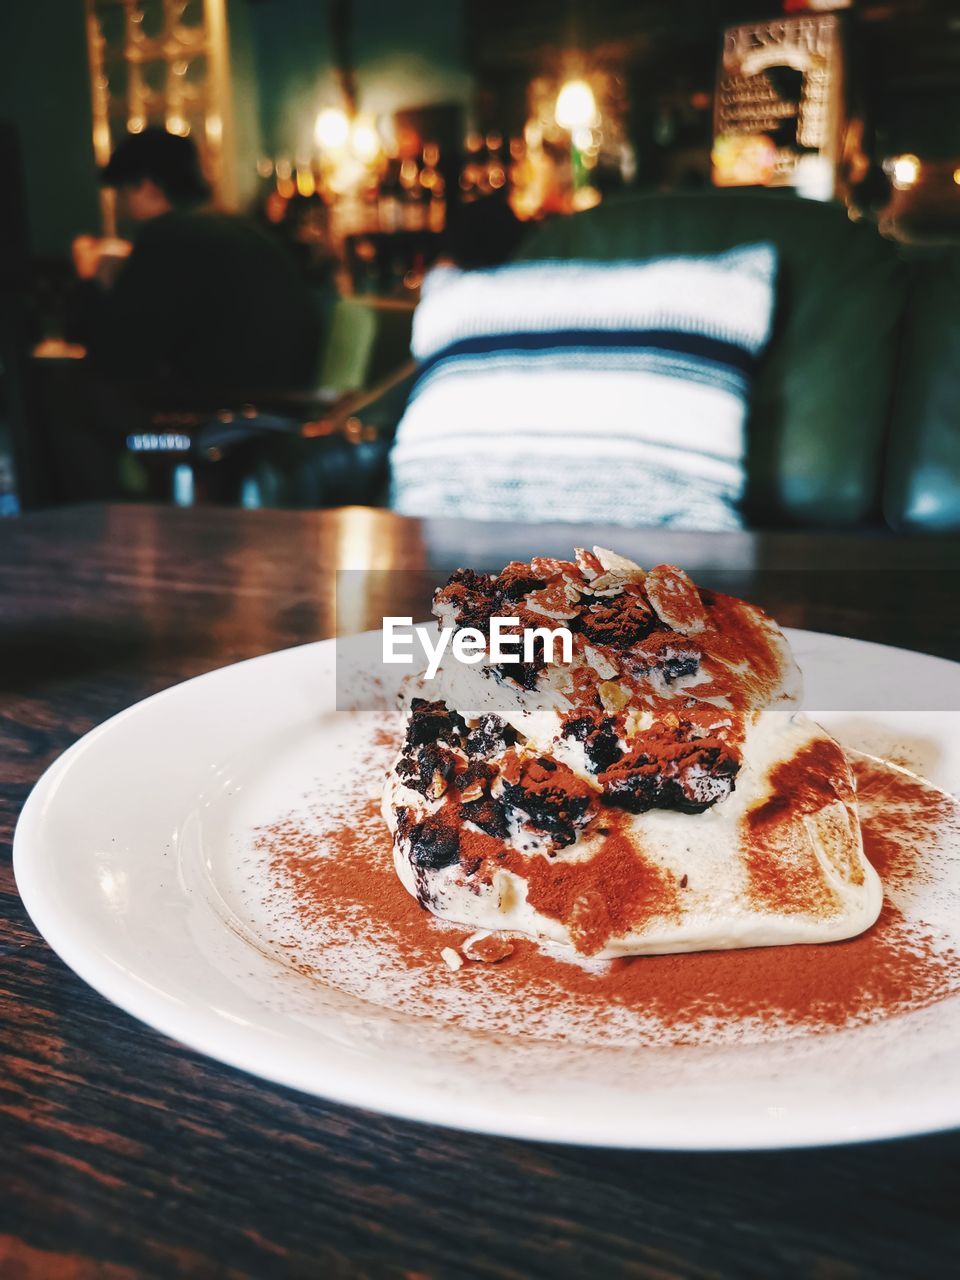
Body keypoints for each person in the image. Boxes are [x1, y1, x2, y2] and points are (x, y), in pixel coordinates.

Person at [69, 128, 321, 393]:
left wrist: (91, 279)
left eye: (120, 192)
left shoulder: (166, 237)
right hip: (285, 405)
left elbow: (119, 358)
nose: (119, 208)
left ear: (147, 186)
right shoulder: (237, 230)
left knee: (76, 397)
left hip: (218, 417)